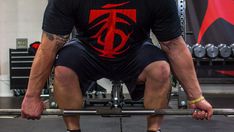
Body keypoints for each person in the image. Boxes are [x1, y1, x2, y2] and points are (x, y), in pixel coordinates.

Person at [21, 0, 213, 132]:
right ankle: (73, 129)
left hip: (135, 50)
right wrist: (31, 96)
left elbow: (174, 46)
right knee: (63, 69)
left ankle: (154, 129)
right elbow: (49, 46)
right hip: (87, 49)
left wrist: (196, 98)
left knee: (161, 69)